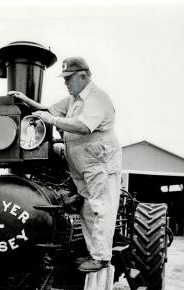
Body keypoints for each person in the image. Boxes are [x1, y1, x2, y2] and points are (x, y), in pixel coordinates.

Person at [9, 56, 122, 273]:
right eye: (64, 79)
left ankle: (101, 257)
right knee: (87, 208)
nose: (66, 83)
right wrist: (25, 99)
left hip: (100, 164)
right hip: (82, 166)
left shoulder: (98, 98)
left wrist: (53, 121)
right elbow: (48, 110)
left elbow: (82, 126)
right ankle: (93, 253)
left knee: (100, 208)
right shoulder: (73, 100)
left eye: (69, 78)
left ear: (84, 76)